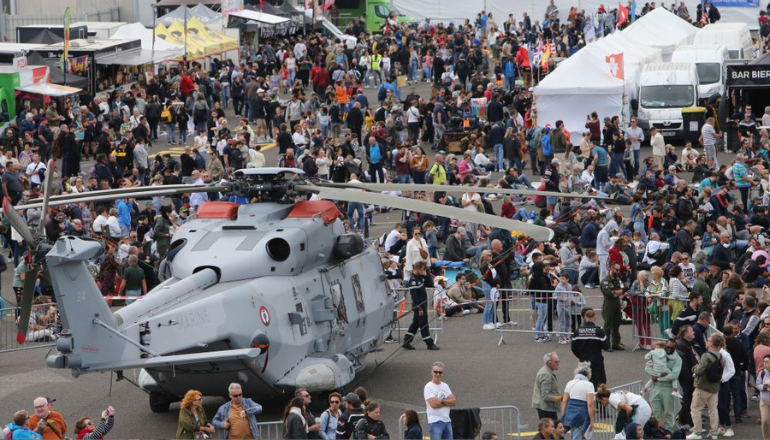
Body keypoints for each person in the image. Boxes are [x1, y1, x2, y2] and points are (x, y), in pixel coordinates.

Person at [688, 333, 726, 440]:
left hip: (703, 386)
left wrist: (694, 368)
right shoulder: (721, 356)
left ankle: (697, 432)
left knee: (695, 409)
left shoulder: (706, 355)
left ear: (711, 343)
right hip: (714, 387)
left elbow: (700, 370)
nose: (706, 341)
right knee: (713, 410)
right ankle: (714, 432)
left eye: (708, 340)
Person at [644, 339, 682, 432]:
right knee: (656, 412)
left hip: (667, 388)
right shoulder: (658, 354)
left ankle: (668, 431)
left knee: (668, 412)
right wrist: (655, 375)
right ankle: (657, 432)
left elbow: (674, 375)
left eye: (671, 348)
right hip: (655, 387)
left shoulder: (677, 359)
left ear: (675, 348)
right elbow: (647, 367)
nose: (668, 349)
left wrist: (658, 378)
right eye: (667, 347)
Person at [402, 261, 439, 351]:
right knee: (423, 324)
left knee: (416, 323)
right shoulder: (413, 281)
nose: (424, 270)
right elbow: (414, 297)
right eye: (423, 269)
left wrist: (426, 274)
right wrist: (419, 308)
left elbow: (430, 284)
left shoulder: (420, 277)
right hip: (419, 306)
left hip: (423, 304)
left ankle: (407, 341)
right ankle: (429, 343)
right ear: (417, 269)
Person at [572, 308, 609, 387]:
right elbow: (606, 346)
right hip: (597, 362)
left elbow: (573, 348)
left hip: (583, 361)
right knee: (599, 384)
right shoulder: (599, 331)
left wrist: (581, 355)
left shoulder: (578, 331)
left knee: (583, 384)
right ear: (594, 318)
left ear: (585, 318)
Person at [561, 362, 595, 440]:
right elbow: (590, 403)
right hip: (582, 414)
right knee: (580, 436)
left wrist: (564, 415)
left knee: (574, 434)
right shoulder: (589, 385)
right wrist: (592, 420)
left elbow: (564, 401)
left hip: (570, 412)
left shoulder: (570, 383)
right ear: (588, 374)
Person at [424, 361, 456, 440]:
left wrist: (441, 401)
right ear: (432, 373)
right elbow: (434, 405)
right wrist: (447, 402)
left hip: (447, 421)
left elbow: (454, 401)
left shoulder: (445, 385)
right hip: (435, 422)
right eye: (436, 372)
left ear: (442, 373)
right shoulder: (428, 386)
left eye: (440, 372)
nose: (438, 374)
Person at [600, 262, 625, 350]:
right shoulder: (605, 281)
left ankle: (615, 343)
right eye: (616, 269)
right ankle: (606, 345)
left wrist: (615, 292)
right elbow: (608, 293)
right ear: (611, 269)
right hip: (608, 305)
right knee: (607, 326)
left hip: (617, 305)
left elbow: (623, 289)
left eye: (619, 269)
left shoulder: (618, 280)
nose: (618, 271)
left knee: (616, 325)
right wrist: (616, 292)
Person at [533, 352, 562, 421]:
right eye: (556, 362)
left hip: (545, 407)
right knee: (550, 429)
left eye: (558, 361)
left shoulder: (545, 370)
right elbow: (545, 396)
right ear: (549, 362)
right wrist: (561, 398)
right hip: (546, 408)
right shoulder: (546, 375)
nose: (558, 364)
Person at [756, 354, 770, 439]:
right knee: (764, 421)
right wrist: (763, 386)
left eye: (767, 362)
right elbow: (757, 385)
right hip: (764, 400)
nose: (764, 363)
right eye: (764, 362)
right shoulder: (762, 373)